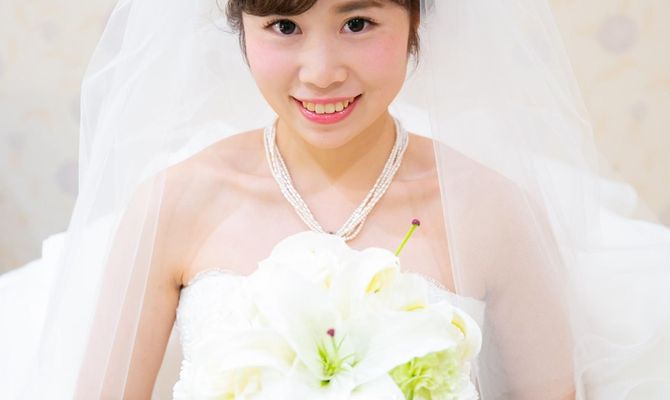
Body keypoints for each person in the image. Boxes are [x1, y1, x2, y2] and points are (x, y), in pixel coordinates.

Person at [1, 0, 669, 399]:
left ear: (415, 21)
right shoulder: (177, 203)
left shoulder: (495, 211)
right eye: (283, 25)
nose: (321, 72)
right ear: (241, 28)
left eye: (357, 21)